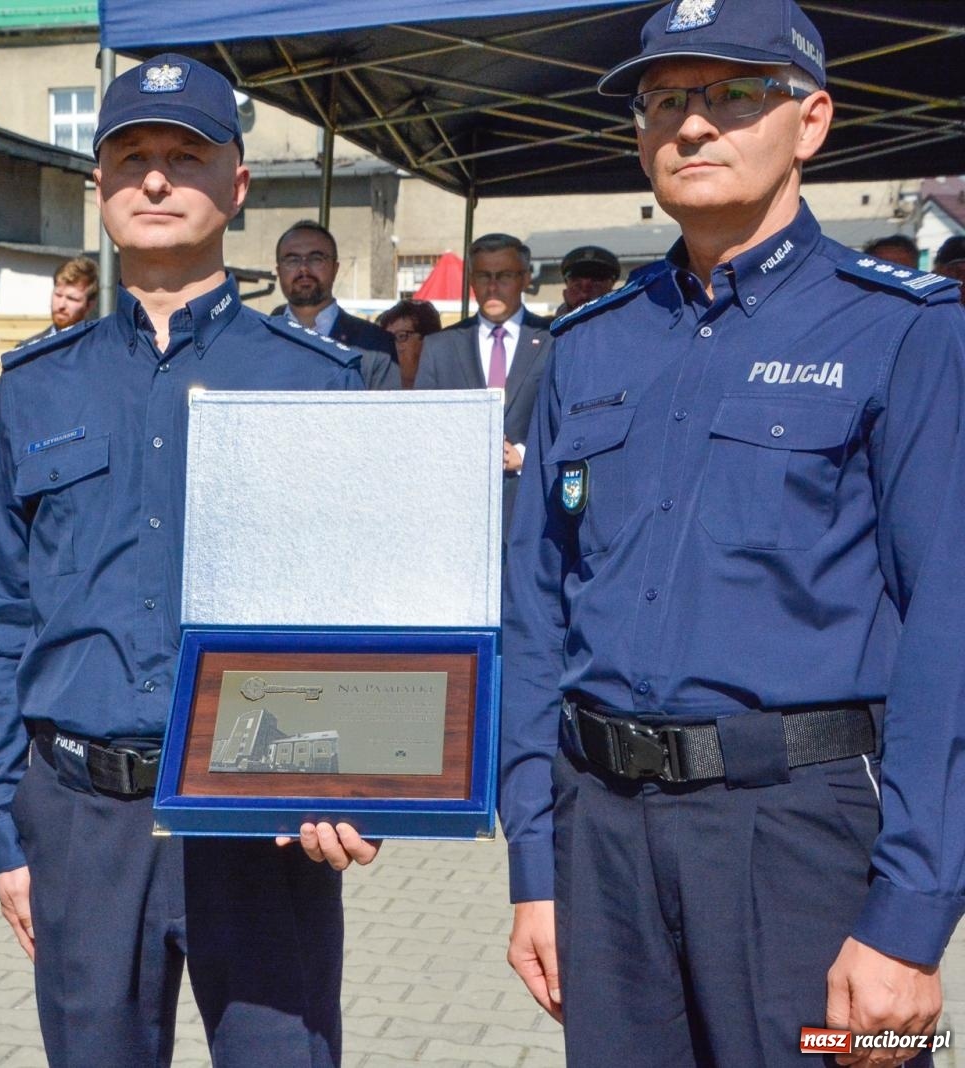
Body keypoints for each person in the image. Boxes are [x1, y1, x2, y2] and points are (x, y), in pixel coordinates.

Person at [502, 2, 965, 1066]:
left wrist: (908, 916)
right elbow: (533, 613)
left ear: (810, 122)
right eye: (665, 99)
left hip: (800, 839)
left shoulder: (899, 330)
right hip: (602, 836)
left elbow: (947, 627)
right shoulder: (587, 346)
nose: (693, 125)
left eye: (733, 94)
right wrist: (535, 860)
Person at [0, 53, 378, 1068]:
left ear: (237, 184)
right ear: (100, 185)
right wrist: (5, 820)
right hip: (82, 821)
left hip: (263, 822)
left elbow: (369, 604)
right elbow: (0, 618)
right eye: (131, 158)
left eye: (183, 156)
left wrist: (365, 776)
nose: (155, 179)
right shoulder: (33, 389)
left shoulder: (315, 383)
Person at [413, 233, 551, 536]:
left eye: (504, 276)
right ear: (471, 280)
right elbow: (422, 426)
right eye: (483, 276)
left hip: (531, 510)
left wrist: (523, 455)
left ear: (525, 278)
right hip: (458, 512)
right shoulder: (441, 347)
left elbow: (567, 418)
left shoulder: (554, 340)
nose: (492, 286)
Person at [271, 219, 399, 389]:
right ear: (279, 271)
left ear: (335, 268)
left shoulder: (375, 345)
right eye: (292, 260)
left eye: (316, 259)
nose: (304, 269)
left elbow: (387, 414)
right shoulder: (257, 341)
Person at [21, 255, 99, 345]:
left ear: (89, 305)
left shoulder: (99, 348)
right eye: (58, 295)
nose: (61, 305)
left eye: (72, 299)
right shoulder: (29, 350)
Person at [376, 298, 441, 388]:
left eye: (401, 336)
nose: (391, 346)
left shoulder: (451, 393)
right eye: (387, 338)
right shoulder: (374, 394)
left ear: (427, 341)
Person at [554, 244, 621, 316]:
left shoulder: (628, 323)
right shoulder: (547, 326)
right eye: (576, 280)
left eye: (597, 278)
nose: (585, 287)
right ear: (566, 293)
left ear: (611, 290)